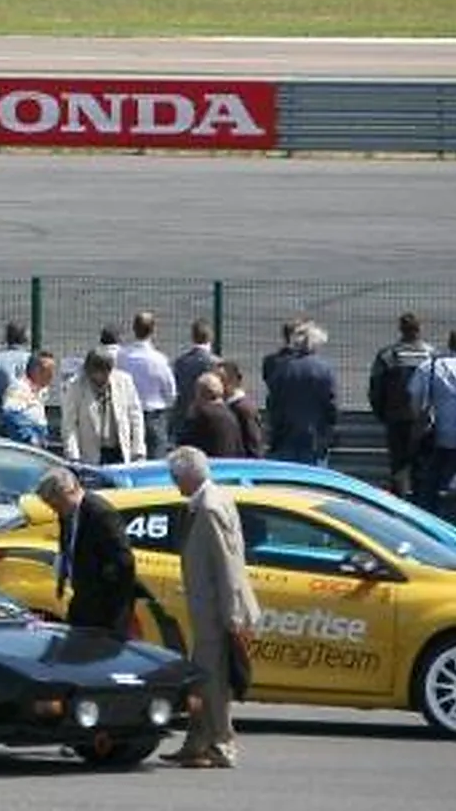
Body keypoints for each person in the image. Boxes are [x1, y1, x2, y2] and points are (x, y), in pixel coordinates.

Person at [162, 446, 261, 770]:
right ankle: (197, 743)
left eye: (176, 477)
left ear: (189, 476)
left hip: (217, 612)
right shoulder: (213, 499)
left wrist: (233, 614)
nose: (174, 484)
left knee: (212, 681)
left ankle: (221, 744)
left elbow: (227, 562)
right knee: (203, 679)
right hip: (210, 608)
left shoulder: (208, 508)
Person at [33, 466, 137, 637]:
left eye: (56, 504)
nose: (54, 510)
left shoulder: (100, 514)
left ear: (68, 492)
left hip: (106, 610)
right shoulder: (67, 514)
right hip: (82, 601)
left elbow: (124, 562)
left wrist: (115, 615)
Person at [370, 312, 434, 497]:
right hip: (423, 420)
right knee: (422, 465)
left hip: (396, 419)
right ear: (419, 329)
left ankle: (400, 504)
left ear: (401, 329)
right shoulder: (431, 355)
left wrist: (383, 414)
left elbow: (376, 389)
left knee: (399, 465)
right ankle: (422, 505)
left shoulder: (388, 355)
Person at [265, 321, 338, 464]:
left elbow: (273, 401)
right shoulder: (324, 369)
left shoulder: (282, 367)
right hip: (315, 436)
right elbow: (331, 404)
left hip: (284, 434)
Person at [61, 348, 146, 464]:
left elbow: (136, 418)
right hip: (91, 455)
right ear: (89, 371)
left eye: (108, 371)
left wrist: (138, 450)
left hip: (119, 451)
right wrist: (73, 456)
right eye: (101, 372)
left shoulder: (124, 381)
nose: (106, 376)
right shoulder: (75, 386)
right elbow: (69, 425)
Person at [406, 332, 456, 516]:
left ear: (450, 344)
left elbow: (414, 397)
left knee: (429, 488)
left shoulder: (432, 366)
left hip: (438, 439)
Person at [115, 312, 177, 461]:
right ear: (153, 330)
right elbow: (171, 392)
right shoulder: (159, 359)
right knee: (156, 463)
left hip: (127, 413)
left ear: (133, 328)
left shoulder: (122, 356)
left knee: (128, 460)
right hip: (154, 416)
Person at [177, 373, 245, 458]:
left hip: (207, 466)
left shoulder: (200, 414)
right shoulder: (230, 413)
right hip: (230, 466)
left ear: (200, 392)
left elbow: (184, 445)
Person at [1, 351, 56, 446]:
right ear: (36, 370)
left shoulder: (41, 390)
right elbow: (10, 414)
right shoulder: (19, 389)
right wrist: (30, 437)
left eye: (53, 370)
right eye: (48, 370)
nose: (52, 375)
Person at [217, 360, 265, 458]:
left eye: (221, 380)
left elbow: (254, 445)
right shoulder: (224, 406)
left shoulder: (244, 409)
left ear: (233, 381)